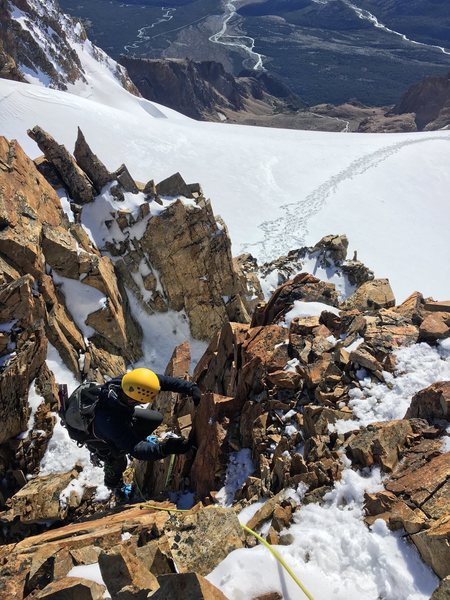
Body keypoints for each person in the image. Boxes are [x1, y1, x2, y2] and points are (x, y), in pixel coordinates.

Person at [60, 367, 201, 500]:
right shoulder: (109, 421)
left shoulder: (126, 383)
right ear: (133, 399)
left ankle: (132, 438)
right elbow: (136, 449)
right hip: (102, 438)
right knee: (118, 461)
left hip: (120, 417)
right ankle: (114, 485)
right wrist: (165, 448)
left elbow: (159, 381)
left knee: (154, 418)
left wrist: (190, 387)